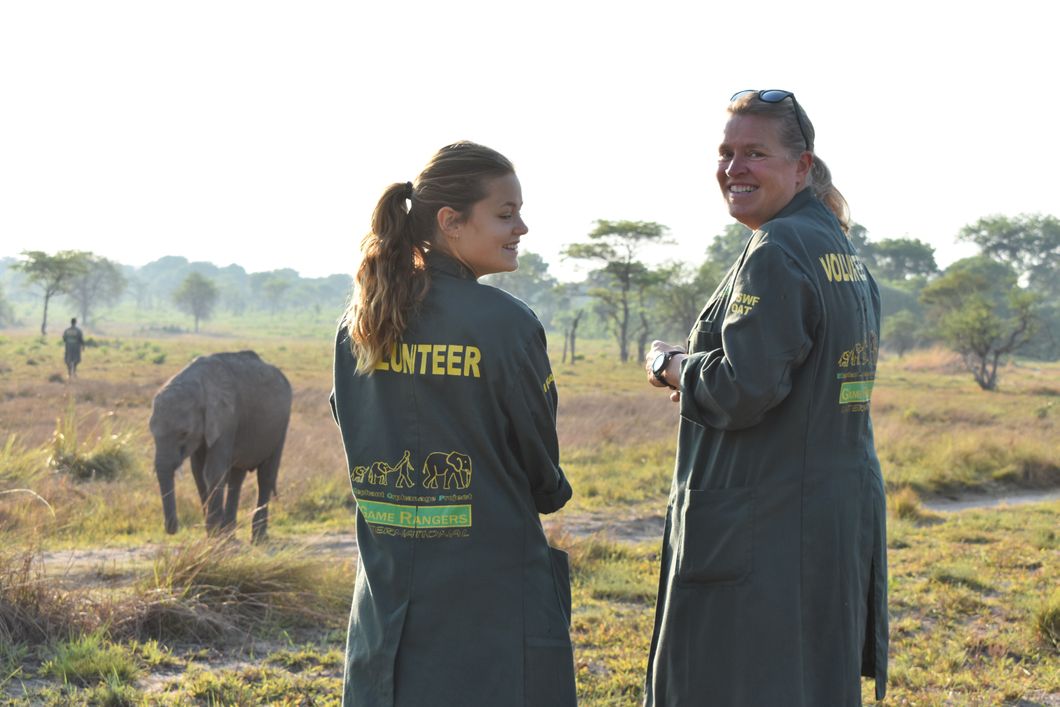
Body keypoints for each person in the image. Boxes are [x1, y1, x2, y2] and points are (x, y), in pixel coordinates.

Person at [642, 90, 888, 705]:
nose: (734, 168)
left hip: (763, 526)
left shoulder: (776, 249)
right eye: (726, 152)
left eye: (755, 152)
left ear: (802, 166)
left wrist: (673, 366)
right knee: (808, 681)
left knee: (737, 681)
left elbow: (743, 390)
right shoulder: (839, 250)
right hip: (828, 514)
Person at [330, 141, 576, 706]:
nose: (523, 228)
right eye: (506, 213)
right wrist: (548, 489)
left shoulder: (359, 324)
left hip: (387, 593)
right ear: (450, 222)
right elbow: (541, 472)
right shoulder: (507, 324)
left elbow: (352, 424)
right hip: (488, 598)